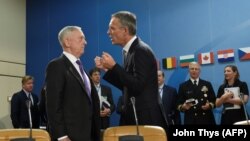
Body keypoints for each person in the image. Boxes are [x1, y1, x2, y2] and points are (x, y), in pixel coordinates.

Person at [95, 11, 166, 129]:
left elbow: (138, 85)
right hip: (136, 114)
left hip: (146, 118)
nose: (108, 32)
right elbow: (128, 85)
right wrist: (108, 70)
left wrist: (114, 66)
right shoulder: (130, 51)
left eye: (112, 28)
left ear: (125, 30)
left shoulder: (140, 50)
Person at [45, 26, 100, 141]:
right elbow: (53, 105)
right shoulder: (56, 66)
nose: (85, 42)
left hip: (89, 134)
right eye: (81, 39)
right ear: (67, 42)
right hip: (70, 136)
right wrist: (61, 136)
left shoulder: (81, 69)